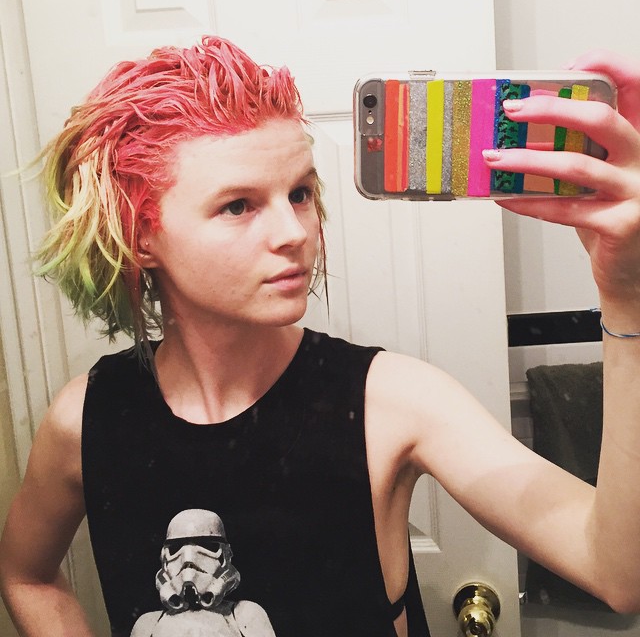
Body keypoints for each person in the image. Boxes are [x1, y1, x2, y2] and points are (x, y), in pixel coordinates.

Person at [1, 35, 640, 637]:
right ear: (141, 235)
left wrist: (628, 295)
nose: (294, 232)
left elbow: (617, 572)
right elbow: (25, 575)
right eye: (238, 205)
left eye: (300, 193)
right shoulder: (85, 420)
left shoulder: (395, 402)